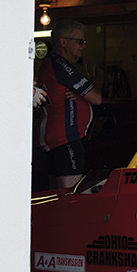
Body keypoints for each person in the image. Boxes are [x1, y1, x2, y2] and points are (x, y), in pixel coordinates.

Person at [39, 19, 102, 190]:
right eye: (80, 41)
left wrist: (81, 95)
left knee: (56, 197)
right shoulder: (62, 66)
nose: (84, 46)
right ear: (64, 42)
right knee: (69, 199)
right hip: (67, 139)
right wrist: (85, 95)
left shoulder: (50, 63)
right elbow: (97, 98)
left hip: (57, 139)